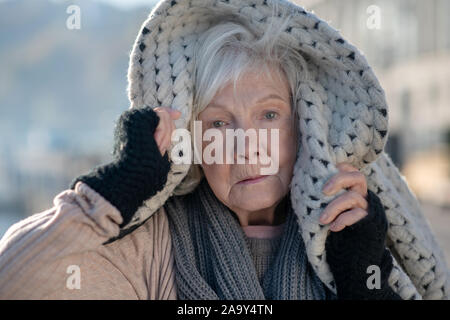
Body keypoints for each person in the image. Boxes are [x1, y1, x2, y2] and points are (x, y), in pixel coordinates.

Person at [0, 0, 448, 300]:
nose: (246, 148)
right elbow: (15, 281)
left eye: (269, 116)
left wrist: (365, 280)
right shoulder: (152, 246)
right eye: (218, 123)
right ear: (191, 140)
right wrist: (109, 194)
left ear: (305, 127)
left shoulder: (352, 235)